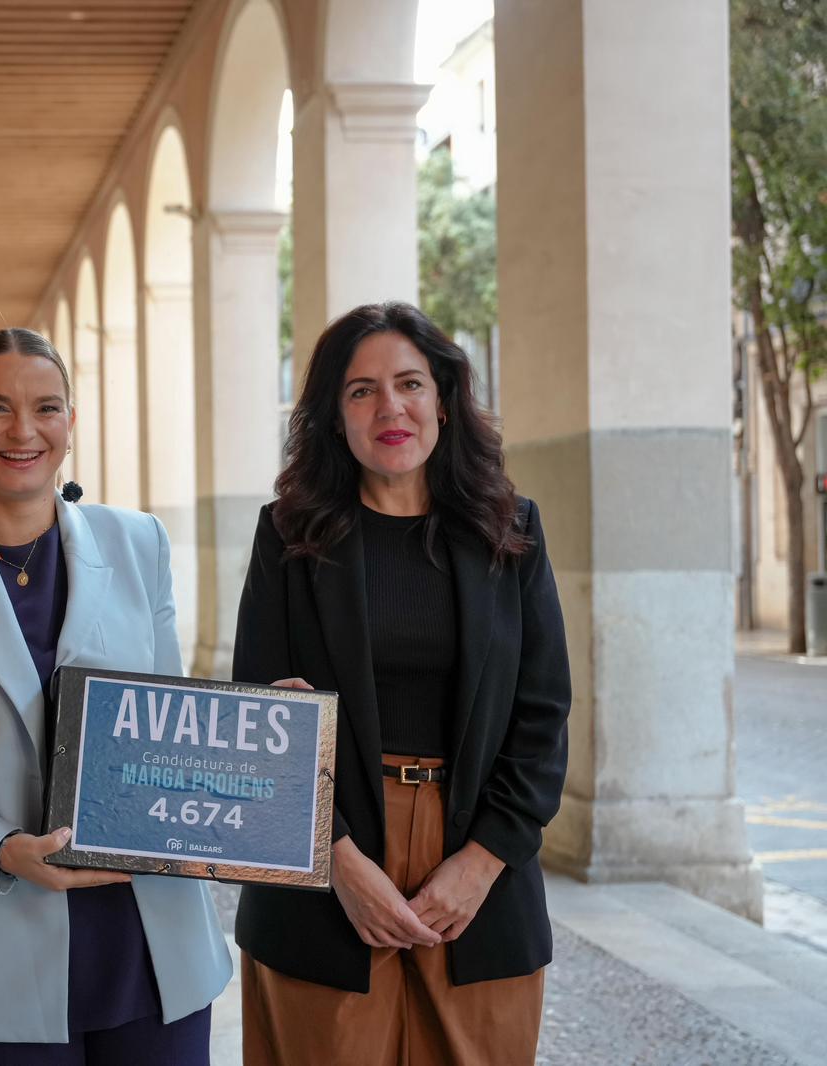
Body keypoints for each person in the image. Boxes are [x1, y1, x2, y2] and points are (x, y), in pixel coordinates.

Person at [0, 328, 231, 1065]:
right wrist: (1, 851)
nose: (23, 430)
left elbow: (169, 727)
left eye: (46, 408)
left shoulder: (139, 543)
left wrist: (257, 723)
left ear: (70, 424)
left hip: (145, 927)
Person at [232, 302, 570, 1065]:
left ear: (443, 402)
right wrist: (338, 863)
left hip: (479, 866)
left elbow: (543, 713)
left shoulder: (510, 531)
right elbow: (258, 719)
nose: (391, 407)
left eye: (410, 384)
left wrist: (481, 863)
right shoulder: (286, 536)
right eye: (362, 391)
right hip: (327, 860)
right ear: (334, 415)